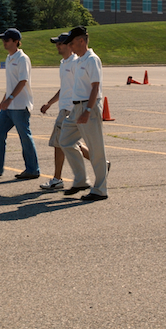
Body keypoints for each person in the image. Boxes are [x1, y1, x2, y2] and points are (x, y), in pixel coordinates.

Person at [0, 28, 41, 179]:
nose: (4, 43)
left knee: (25, 137)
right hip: (9, 106)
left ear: (15, 41)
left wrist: (9, 98)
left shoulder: (22, 59)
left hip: (20, 106)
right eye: (3, 40)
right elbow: (11, 83)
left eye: (6, 40)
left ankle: (33, 169)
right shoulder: (9, 58)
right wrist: (4, 98)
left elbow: (23, 81)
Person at [59, 25, 109, 201]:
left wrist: (87, 110)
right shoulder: (79, 60)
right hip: (76, 108)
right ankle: (81, 180)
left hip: (89, 107)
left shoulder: (92, 60)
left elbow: (95, 87)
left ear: (81, 41)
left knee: (96, 150)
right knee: (64, 140)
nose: (70, 47)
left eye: (72, 43)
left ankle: (100, 189)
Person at [39, 32, 90, 190]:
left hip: (70, 109)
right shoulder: (64, 63)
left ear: (69, 45)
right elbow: (65, 88)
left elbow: (80, 86)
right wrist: (50, 103)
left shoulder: (75, 63)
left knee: (59, 143)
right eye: (57, 43)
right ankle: (102, 163)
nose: (57, 46)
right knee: (69, 143)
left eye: (60, 43)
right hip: (65, 108)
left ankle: (57, 179)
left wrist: (79, 109)